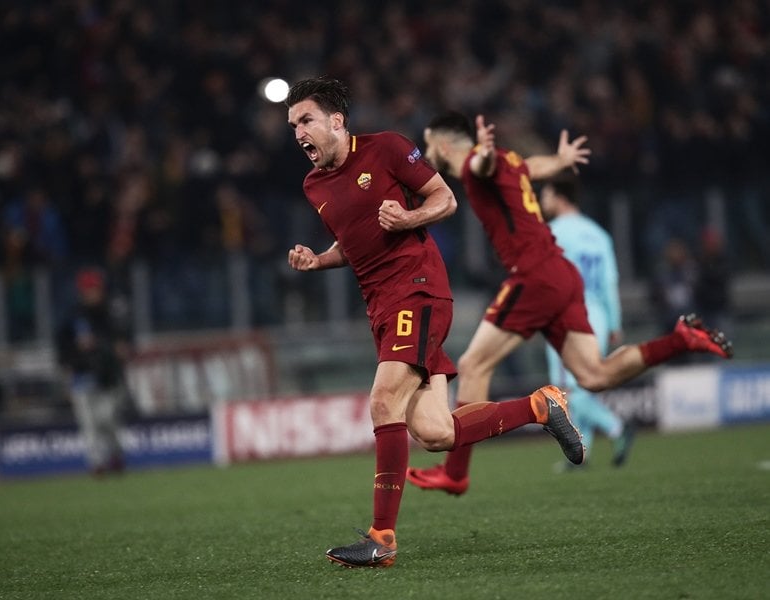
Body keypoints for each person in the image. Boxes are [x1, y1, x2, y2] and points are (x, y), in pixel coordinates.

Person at [284, 77, 584, 569]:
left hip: (417, 289)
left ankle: (382, 537)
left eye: (306, 119)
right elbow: (356, 242)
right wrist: (319, 260)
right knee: (435, 432)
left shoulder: (387, 149)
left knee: (384, 402)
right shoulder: (313, 185)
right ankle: (540, 406)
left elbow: (445, 199)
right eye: (293, 124)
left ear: (336, 121)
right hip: (380, 306)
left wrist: (407, 219)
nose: (298, 131)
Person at [407, 112, 733, 495]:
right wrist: (559, 162)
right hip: (561, 273)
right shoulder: (510, 161)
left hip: (534, 275)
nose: (428, 153)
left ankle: (456, 472)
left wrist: (484, 156)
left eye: (430, 145)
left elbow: (483, 165)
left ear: (445, 145)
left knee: (474, 364)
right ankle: (680, 339)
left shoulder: (480, 163)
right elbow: (530, 166)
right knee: (594, 375)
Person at [538, 172, 634, 467]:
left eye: (546, 194)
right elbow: (609, 282)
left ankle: (616, 426)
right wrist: (615, 323)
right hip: (599, 316)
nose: (542, 201)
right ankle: (582, 451)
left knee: (565, 390)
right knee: (583, 384)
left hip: (569, 316)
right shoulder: (599, 234)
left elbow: (545, 280)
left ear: (558, 196)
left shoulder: (552, 233)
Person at [56, 267, 131, 476]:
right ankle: (96, 463)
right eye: (89, 289)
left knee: (108, 420)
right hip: (82, 376)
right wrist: (68, 371)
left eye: (96, 289)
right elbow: (62, 350)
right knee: (88, 424)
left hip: (109, 376)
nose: (93, 293)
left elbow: (125, 340)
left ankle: (116, 454)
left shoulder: (112, 312)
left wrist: (118, 348)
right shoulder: (73, 317)